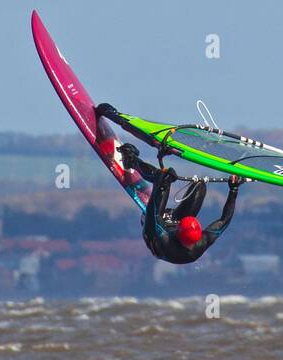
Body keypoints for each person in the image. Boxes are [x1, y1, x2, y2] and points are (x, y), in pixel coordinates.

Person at [97, 104, 240, 264]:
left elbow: (154, 215)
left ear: (179, 231)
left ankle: (131, 161)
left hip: (154, 230)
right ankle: (163, 181)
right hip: (173, 224)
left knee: (162, 178)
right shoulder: (203, 239)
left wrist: (163, 181)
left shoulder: (166, 241)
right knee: (200, 186)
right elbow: (224, 220)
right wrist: (233, 190)